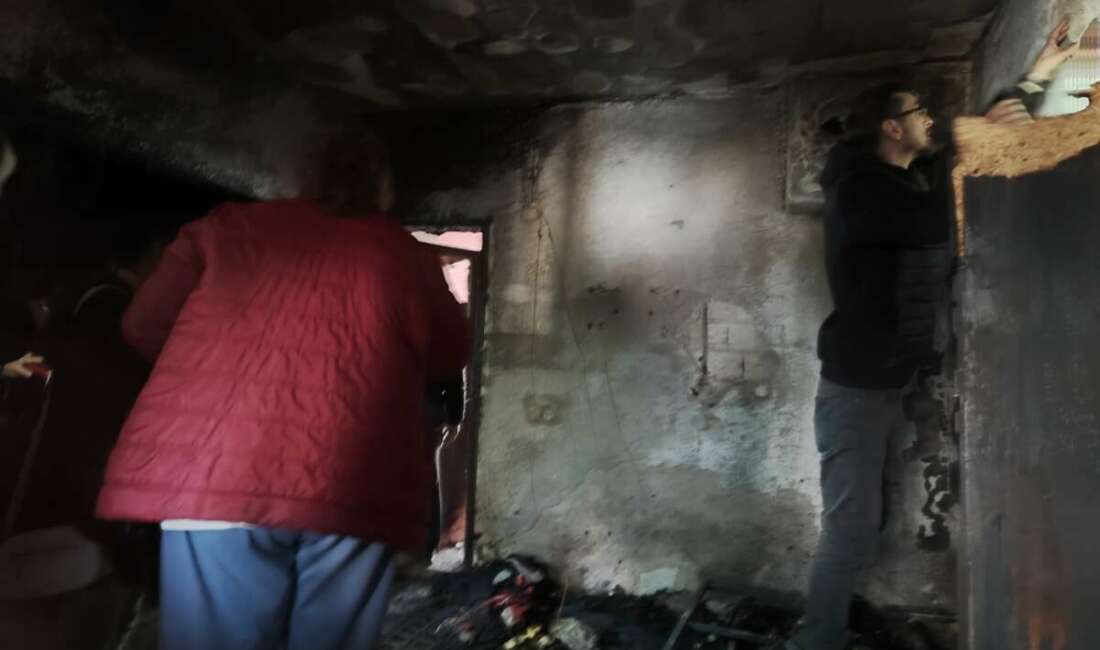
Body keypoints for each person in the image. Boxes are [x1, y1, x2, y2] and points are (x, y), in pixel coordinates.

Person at [95, 131, 471, 650]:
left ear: (298, 176)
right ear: (383, 188)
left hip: (215, 473)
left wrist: (212, 367)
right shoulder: (405, 256)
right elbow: (450, 353)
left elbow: (143, 325)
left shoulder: (225, 230)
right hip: (352, 480)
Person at [780, 19, 1080, 650]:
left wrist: (1040, 73)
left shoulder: (897, 182)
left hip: (883, 386)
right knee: (850, 532)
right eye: (918, 112)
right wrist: (978, 141)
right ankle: (816, 640)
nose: (929, 121)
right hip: (856, 392)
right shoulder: (861, 189)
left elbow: (963, 155)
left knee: (864, 526)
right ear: (892, 128)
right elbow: (930, 216)